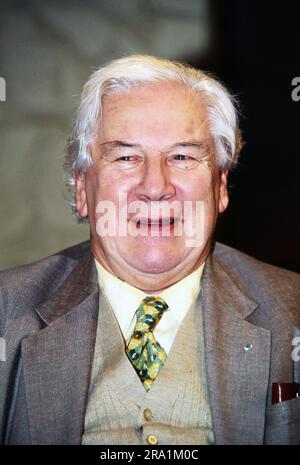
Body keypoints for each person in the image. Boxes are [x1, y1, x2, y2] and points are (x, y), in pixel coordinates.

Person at [0, 55, 299, 446]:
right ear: (82, 188)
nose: (155, 186)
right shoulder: (6, 312)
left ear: (221, 186)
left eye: (182, 156)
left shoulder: (293, 306)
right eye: (126, 157)